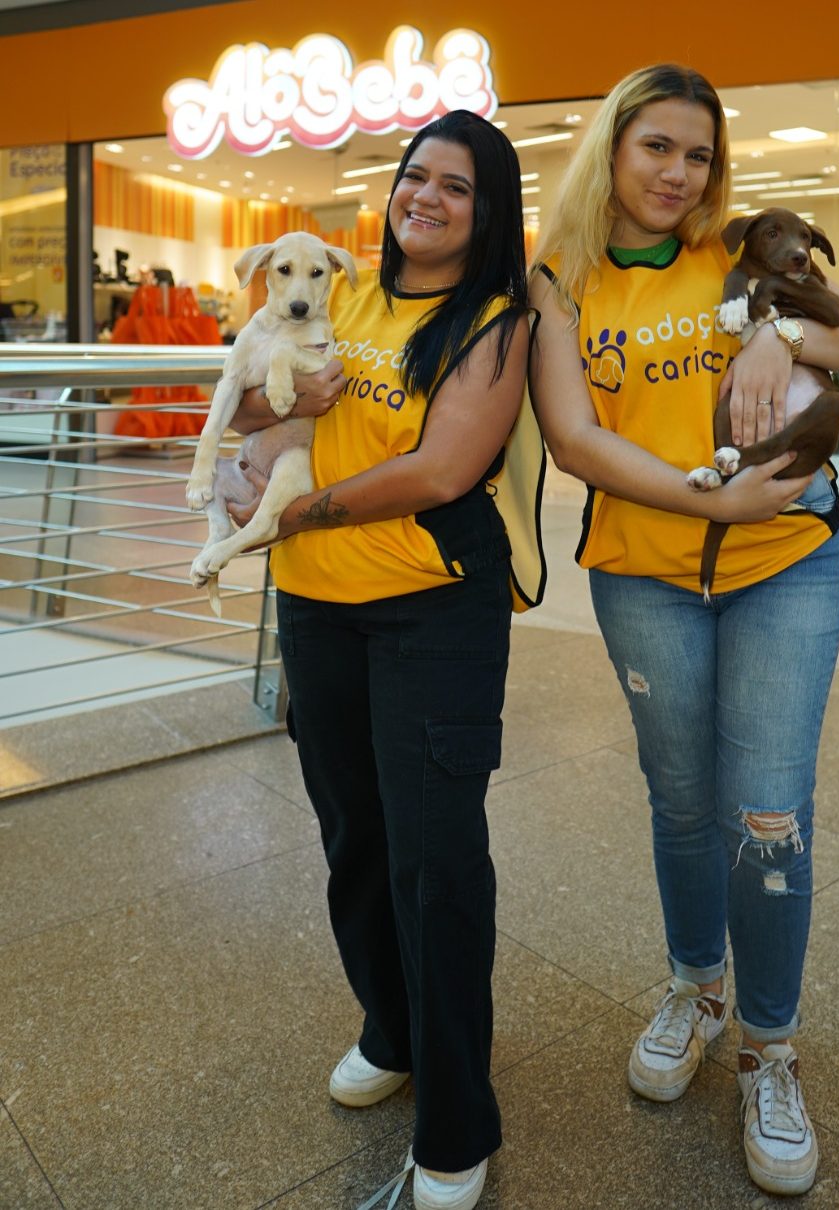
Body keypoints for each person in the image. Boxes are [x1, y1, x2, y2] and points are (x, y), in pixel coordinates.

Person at [529, 64, 839, 1197]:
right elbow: (575, 439)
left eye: (698, 154)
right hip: (645, 575)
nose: (678, 173)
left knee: (767, 812)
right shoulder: (559, 276)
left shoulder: (738, 251)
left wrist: (784, 337)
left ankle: (770, 1049)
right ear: (612, 147)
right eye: (657, 147)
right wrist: (712, 505)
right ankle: (698, 985)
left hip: (786, 564)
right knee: (682, 799)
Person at [228, 110, 531, 1210]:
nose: (427, 197)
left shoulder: (493, 322)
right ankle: (391, 1030)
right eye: (416, 176)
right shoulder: (334, 290)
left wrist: (296, 511)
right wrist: (265, 428)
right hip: (317, 612)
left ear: (487, 211)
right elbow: (255, 403)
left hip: (430, 612)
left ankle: (456, 1120)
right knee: (354, 837)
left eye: (457, 185)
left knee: (434, 861)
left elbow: (442, 470)